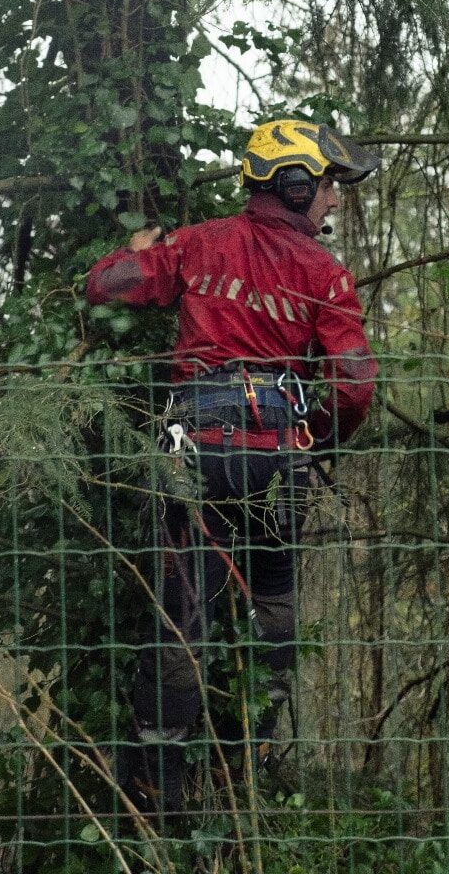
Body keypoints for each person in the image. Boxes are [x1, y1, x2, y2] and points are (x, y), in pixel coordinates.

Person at [86, 118, 380, 824]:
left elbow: (106, 286)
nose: (334, 202)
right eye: (329, 187)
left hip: (196, 447)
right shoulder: (325, 275)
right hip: (278, 456)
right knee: (273, 600)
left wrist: (131, 254)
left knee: (183, 617)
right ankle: (253, 759)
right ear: (296, 185)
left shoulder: (199, 242)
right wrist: (317, 442)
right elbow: (355, 384)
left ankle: (158, 786)